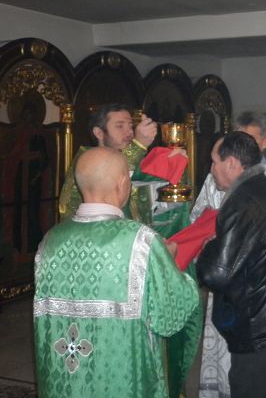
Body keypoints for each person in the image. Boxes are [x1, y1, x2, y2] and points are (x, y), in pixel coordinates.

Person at [33, 147, 201, 398]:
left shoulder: (50, 242)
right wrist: (170, 263)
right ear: (123, 184)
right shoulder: (141, 241)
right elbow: (170, 317)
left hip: (65, 383)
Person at [191, 111, 266, 398]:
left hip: (263, 332)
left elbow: (216, 273)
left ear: (232, 163)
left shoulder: (242, 200)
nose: (211, 169)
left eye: (214, 162)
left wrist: (208, 247)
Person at [58, 103, 157, 222]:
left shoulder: (136, 158)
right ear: (98, 133)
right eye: (120, 126)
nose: (130, 132)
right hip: (98, 230)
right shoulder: (85, 161)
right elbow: (113, 168)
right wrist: (139, 146)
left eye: (131, 126)